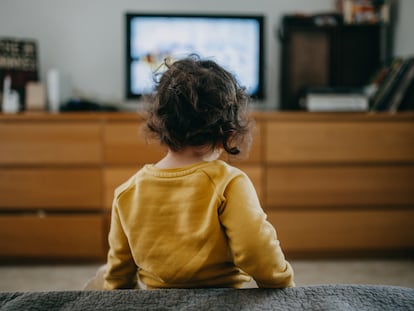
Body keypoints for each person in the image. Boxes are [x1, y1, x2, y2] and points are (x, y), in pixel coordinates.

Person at [103, 55, 294, 290]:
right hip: (221, 301)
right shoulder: (229, 183)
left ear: (161, 124)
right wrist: (282, 283)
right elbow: (256, 250)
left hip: (158, 302)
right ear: (228, 134)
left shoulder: (128, 191)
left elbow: (118, 273)